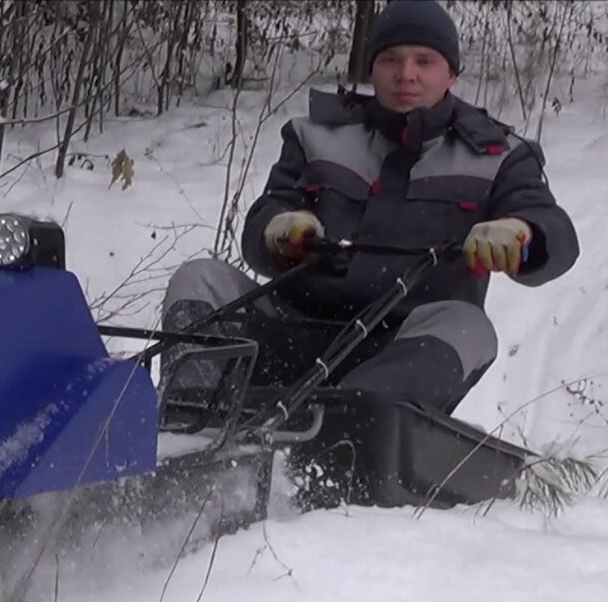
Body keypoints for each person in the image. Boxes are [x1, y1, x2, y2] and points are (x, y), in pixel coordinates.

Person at [160, 0, 579, 414]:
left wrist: (522, 234)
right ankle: (185, 424)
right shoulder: (314, 136)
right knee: (200, 278)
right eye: (391, 59)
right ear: (372, 68)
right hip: (289, 326)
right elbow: (261, 225)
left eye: (424, 61)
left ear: (451, 72)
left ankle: (342, 435)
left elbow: (554, 232)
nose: (406, 74)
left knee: (471, 327)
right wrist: (277, 228)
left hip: (404, 344)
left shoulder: (500, 154)